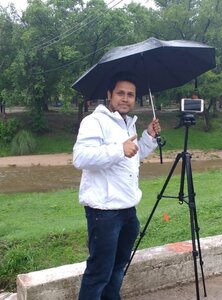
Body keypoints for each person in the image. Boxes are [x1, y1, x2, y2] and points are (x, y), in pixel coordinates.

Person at [73, 72, 161, 300]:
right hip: (104, 213)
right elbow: (80, 158)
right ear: (109, 94)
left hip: (127, 210)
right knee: (98, 272)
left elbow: (131, 157)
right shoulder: (94, 121)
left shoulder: (127, 123)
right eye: (120, 93)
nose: (125, 98)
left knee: (118, 267)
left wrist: (149, 137)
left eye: (130, 95)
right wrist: (117, 149)